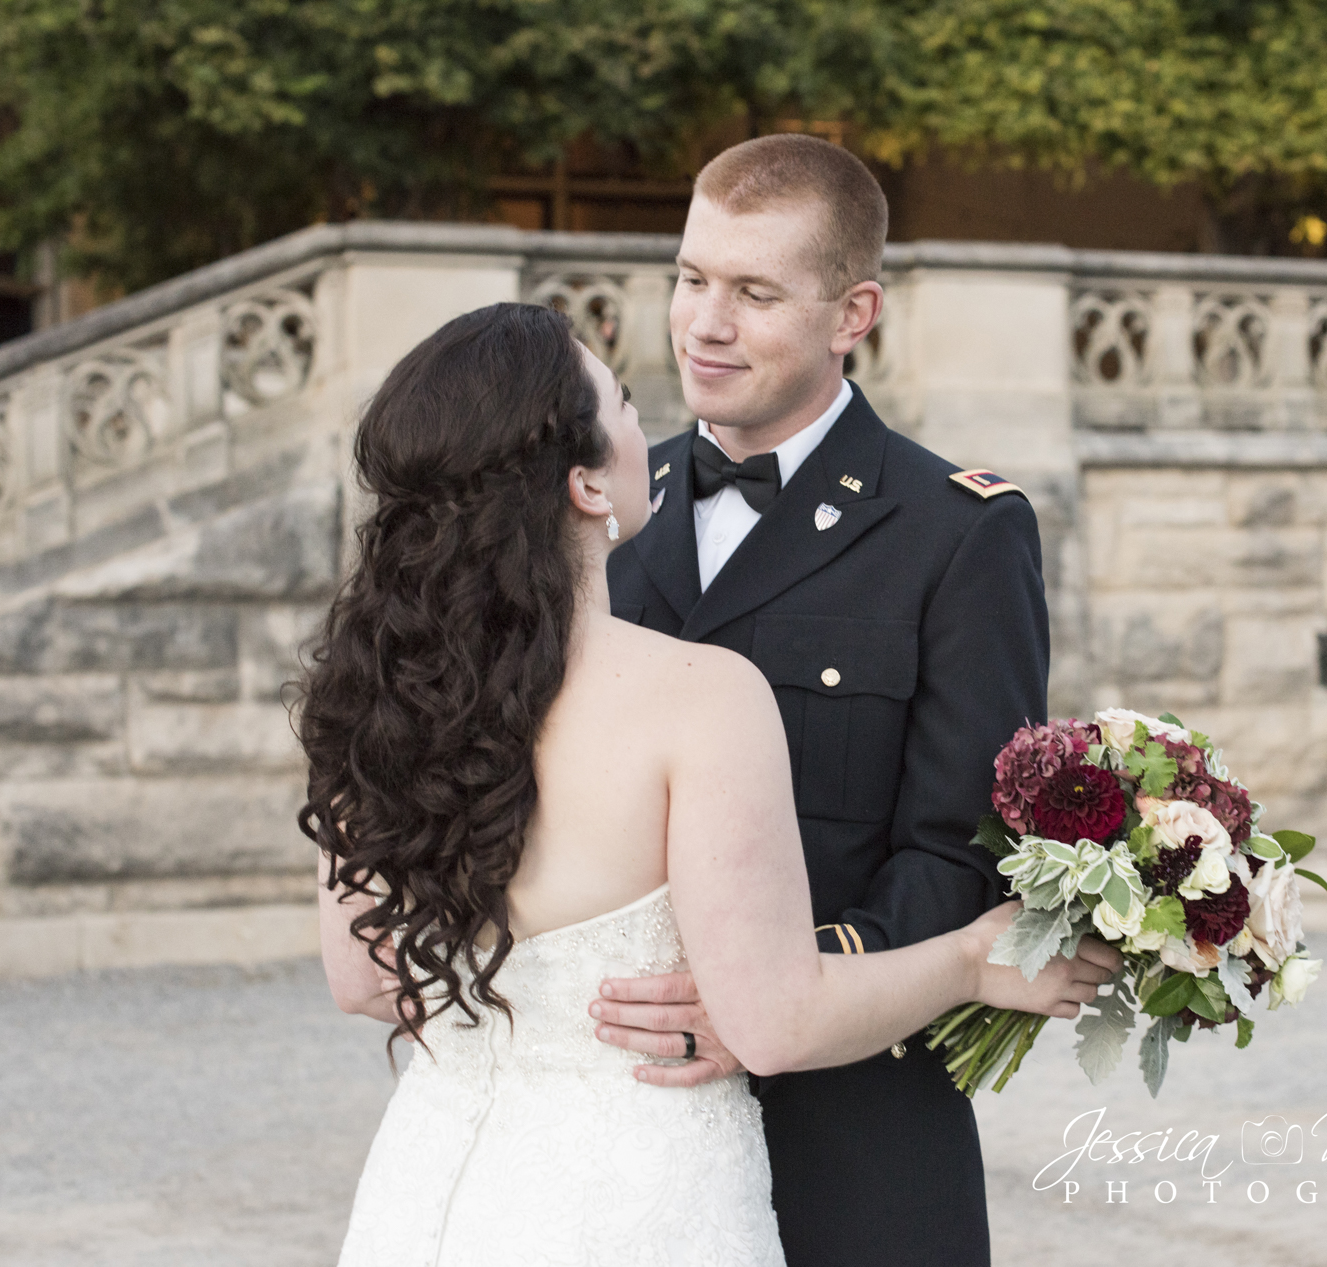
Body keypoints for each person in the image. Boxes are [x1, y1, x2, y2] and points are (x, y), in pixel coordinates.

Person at [301, 302, 1119, 1266]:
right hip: (635, 1194)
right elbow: (774, 1023)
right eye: (619, 402)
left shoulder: (367, 691)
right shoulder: (701, 696)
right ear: (585, 484)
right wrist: (977, 959)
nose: (650, 424)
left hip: (433, 1187)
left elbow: (362, 977)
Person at [598, 134, 1052, 1264]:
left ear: (853, 313)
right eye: (691, 279)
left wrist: (772, 1005)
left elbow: (960, 853)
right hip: (610, 1113)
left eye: (754, 292)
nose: (705, 322)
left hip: (853, 1128)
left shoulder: (958, 534)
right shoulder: (595, 506)